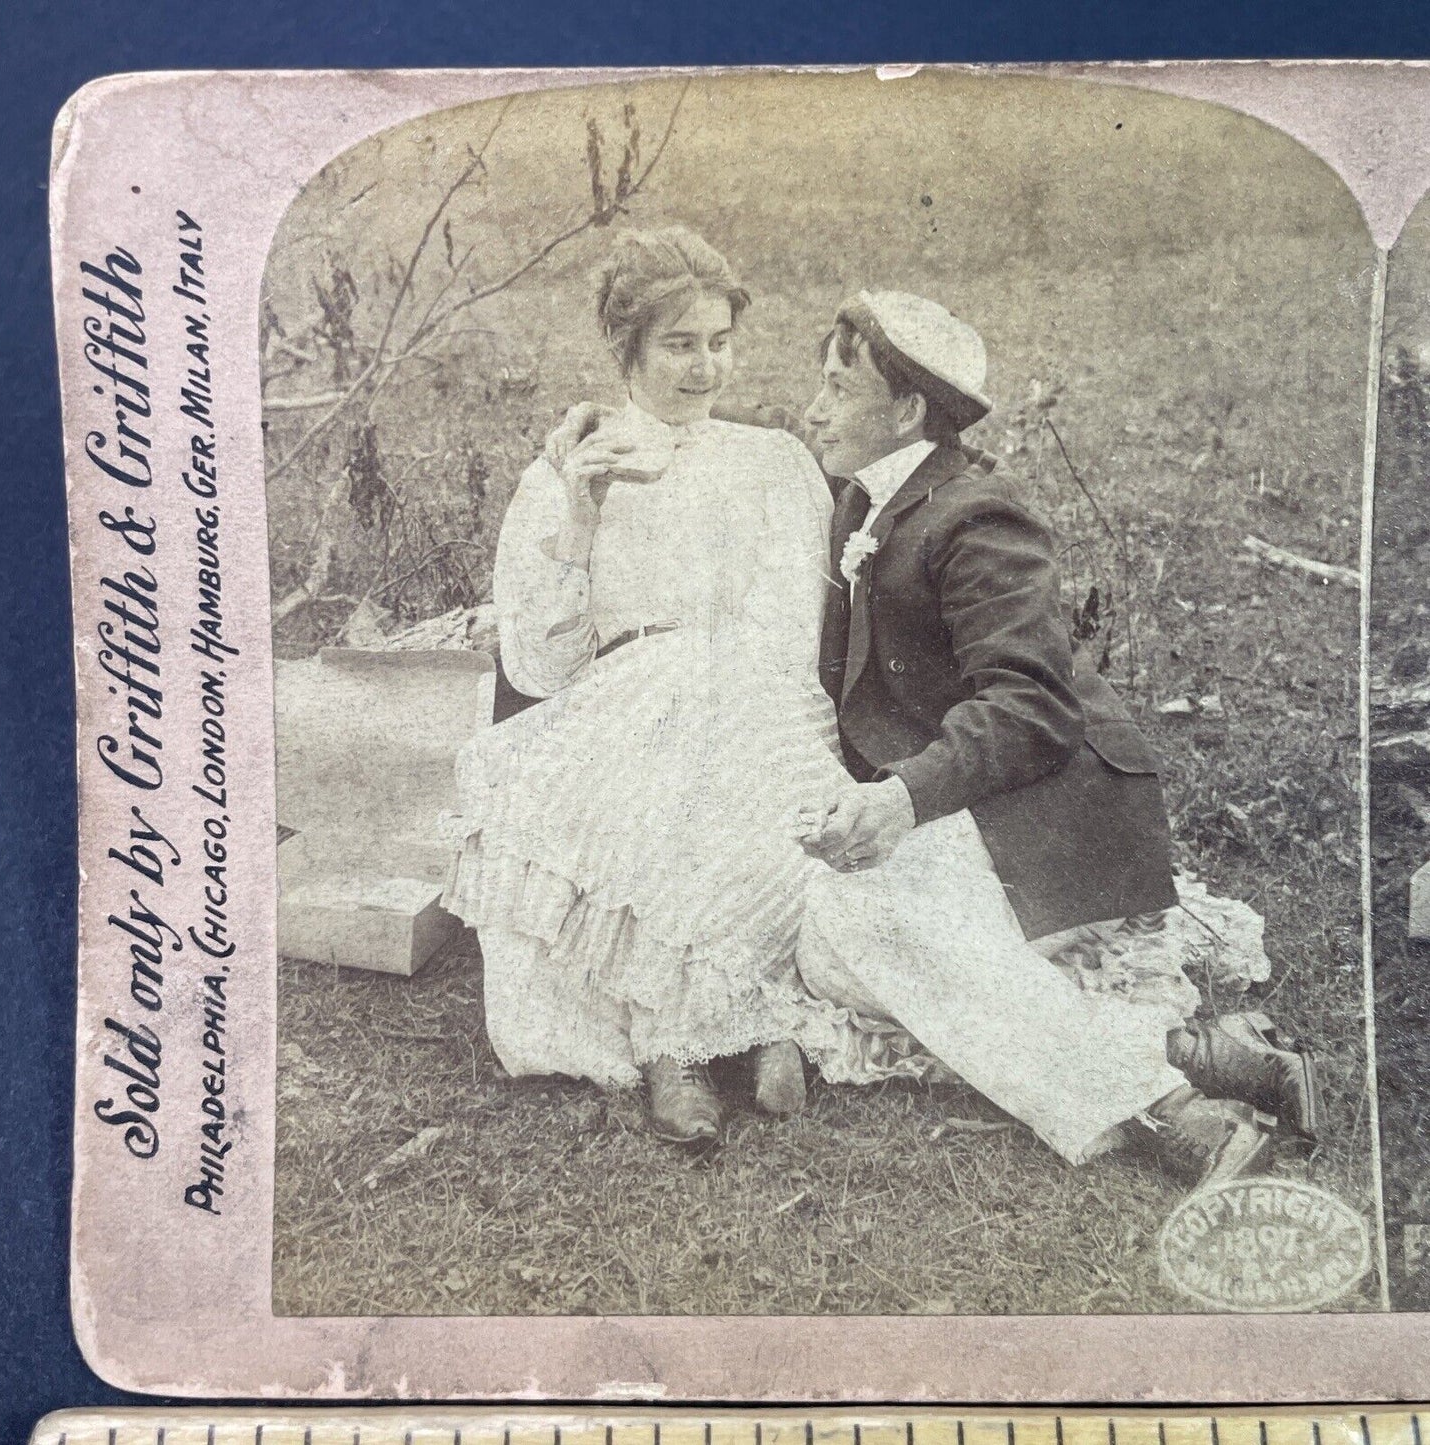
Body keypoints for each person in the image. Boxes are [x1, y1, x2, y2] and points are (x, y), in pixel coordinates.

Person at [791, 290, 1321, 1182]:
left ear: (911, 411)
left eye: (839, 390)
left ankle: (1175, 1113)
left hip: (1048, 803)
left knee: (855, 922)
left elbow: (1033, 708)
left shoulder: (975, 517)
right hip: (966, 801)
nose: (811, 409)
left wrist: (902, 796)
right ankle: (1209, 1054)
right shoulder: (861, 504)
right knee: (833, 946)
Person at [440, 227, 865, 1146]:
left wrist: (723, 687)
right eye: (679, 344)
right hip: (617, 697)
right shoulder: (569, 470)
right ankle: (679, 1039)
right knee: (657, 758)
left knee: (726, 750)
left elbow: (796, 628)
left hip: (758, 696)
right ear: (625, 349)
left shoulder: (773, 464)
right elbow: (541, 666)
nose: (704, 367)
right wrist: (581, 515)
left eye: (718, 341)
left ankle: (749, 1019)